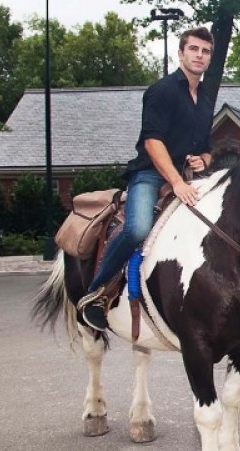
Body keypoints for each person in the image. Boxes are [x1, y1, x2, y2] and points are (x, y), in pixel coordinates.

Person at [77, 27, 217, 330]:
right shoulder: (161, 91)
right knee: (138, 228)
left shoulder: (206, 99)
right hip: (151, 175)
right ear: (180, 53)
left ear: (210, 58)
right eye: (193, 49)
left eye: (205, 51)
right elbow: (153, 142)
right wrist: (176, 183)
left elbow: (207, 148)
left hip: (188, 176)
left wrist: (203, 160)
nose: (199, 55)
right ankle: (96, 293)